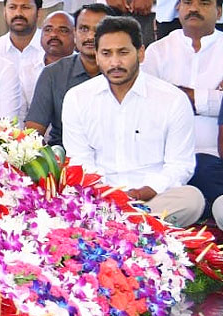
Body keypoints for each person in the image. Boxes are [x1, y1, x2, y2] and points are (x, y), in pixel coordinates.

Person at [62, 16, 204, 228]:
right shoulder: (77, 98)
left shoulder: (172, 99)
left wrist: (141, 193)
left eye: (123, 52)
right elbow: (80, 162)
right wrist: (108, 196)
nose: (115, 62)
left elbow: (179, 165)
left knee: (192, 200)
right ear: (97, 57)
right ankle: (138, 227)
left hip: (153, 199)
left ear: (140, 53)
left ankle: (119, 226)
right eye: (106, 54)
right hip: (100, 199)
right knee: (66, 199)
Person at [141, 0, 223, 227]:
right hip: (163, 158)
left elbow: (165, 99)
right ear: (177, 8)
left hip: (214, 156)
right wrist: (212, 97)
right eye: (187, 2)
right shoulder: (158, 51)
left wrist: (176, 94)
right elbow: (148, 104)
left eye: (204, 3)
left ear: (219, 11)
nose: (193, 8)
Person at [25, 3, 110, 148]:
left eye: (99, 30)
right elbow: (33, 134)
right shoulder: (53, 73)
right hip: (64, 159)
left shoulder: (124, 72)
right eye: (84, 29)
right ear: (75, 33)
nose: (90, 36)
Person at [0, 0, 46, 108]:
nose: (18, 13)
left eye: (25, 7)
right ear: (4, 12)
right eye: (12, 7)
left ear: (39, 13)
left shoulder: (50, 49)